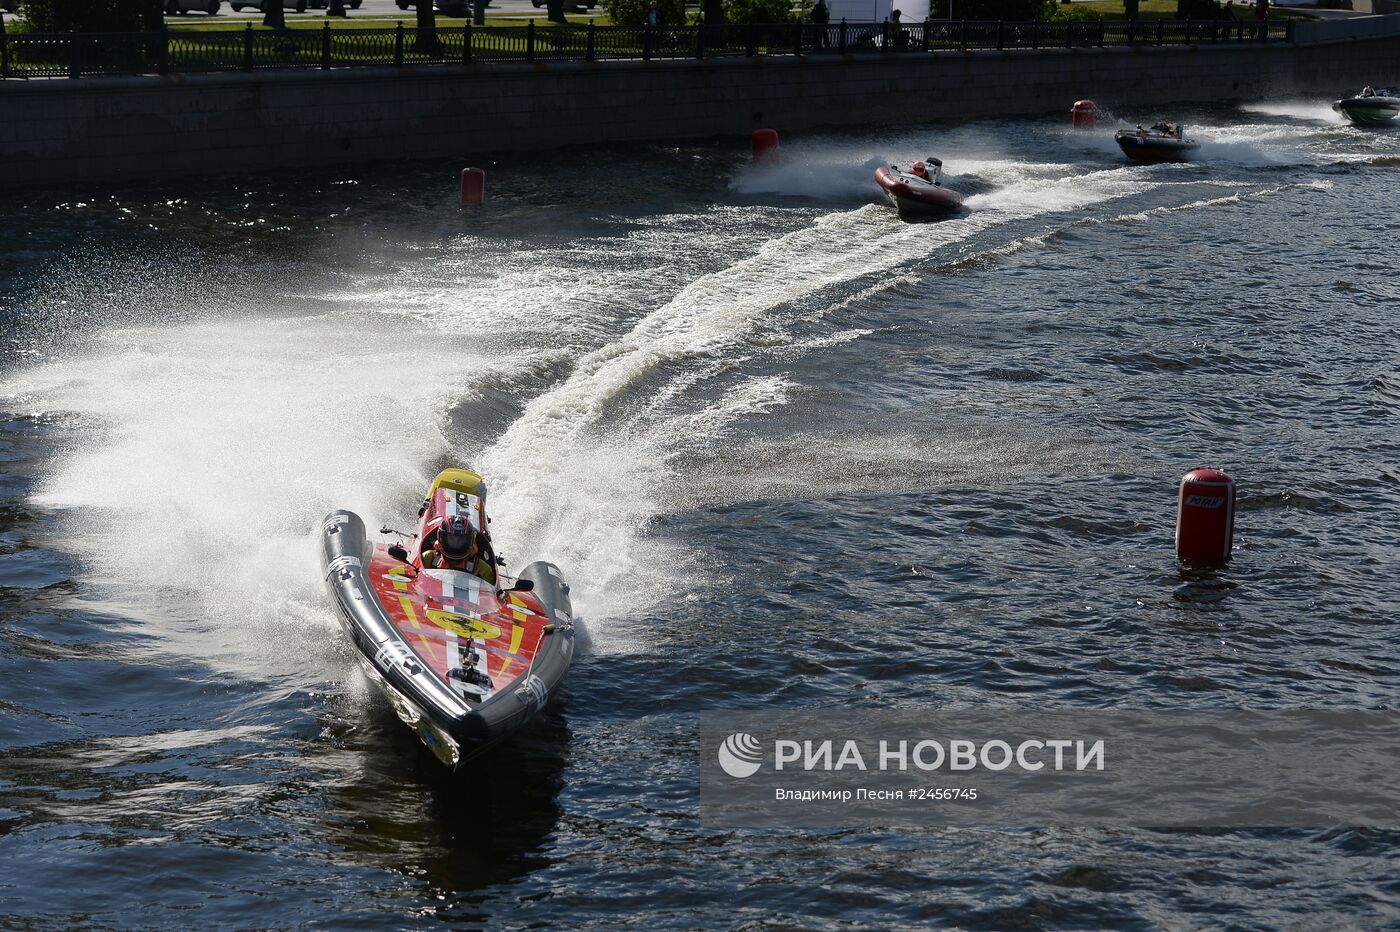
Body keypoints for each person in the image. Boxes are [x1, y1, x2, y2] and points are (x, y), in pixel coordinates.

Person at [423, 514, 498, 584]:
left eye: (460, 540)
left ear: (470, 541)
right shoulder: (428, 558)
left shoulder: (482, 569)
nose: (456, 543)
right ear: (442, 538)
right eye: (452, 539)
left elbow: (491, 595)